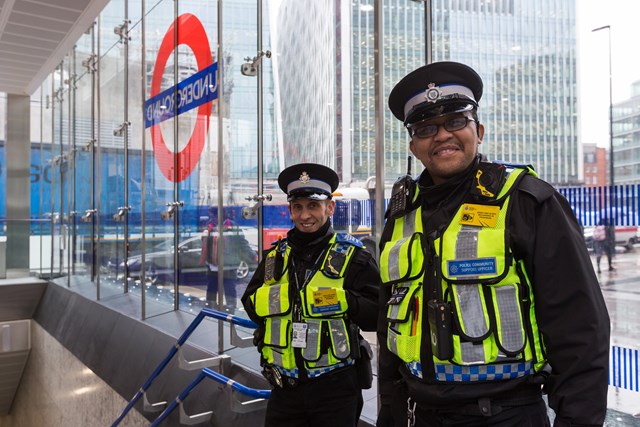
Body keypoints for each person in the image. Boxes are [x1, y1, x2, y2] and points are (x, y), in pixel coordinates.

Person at [376, 62, 610, 427]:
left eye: (455, 121)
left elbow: (580, 330)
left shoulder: (527, 201)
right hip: (417, 412)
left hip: (505, 414)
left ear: (478, 130)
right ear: (414, 145)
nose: (441, 136)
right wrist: (389, 408)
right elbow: (389, 319)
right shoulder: (402, 216)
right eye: (425, 128)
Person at [241, 163, 380, 427]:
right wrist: (284, 300)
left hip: (335, 390)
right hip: (284, 390)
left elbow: (378, 315)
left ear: (330, 208)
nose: (306, 215)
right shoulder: (274, 258)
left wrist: (343, 301)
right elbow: (250, 304)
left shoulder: (354, 257)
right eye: (298, 207)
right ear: (290, 211)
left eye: (313, 206)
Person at [201, 218, 257, 312]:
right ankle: (210, 312)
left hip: (228, 266)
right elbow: (206, 244)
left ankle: (230, 313)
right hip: (213, 266)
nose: (213, 214)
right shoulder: (210, 225)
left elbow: (242, 243)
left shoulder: (232, 226)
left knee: (229, 291)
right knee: (211, 292)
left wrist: (253, 256)